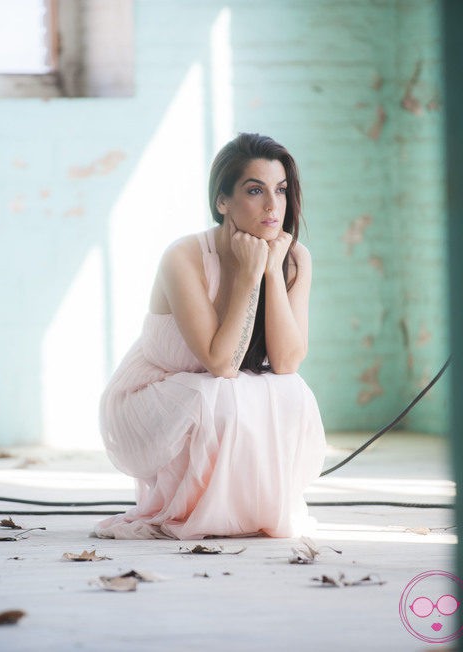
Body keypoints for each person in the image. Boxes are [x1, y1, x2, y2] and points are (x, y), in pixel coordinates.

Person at [94, 133, 327, 540]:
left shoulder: (294, 258)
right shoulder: (183, 257)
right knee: (217, 395)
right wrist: (248, 275)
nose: (273, 206)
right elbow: (221, 363)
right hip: (154, 393)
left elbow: (288, 362)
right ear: (222, 201)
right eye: (255, 190)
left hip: (216, 390)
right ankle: (189, 510)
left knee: (291, 393)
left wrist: (271, 270)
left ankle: (244, 512)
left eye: (281, 190)